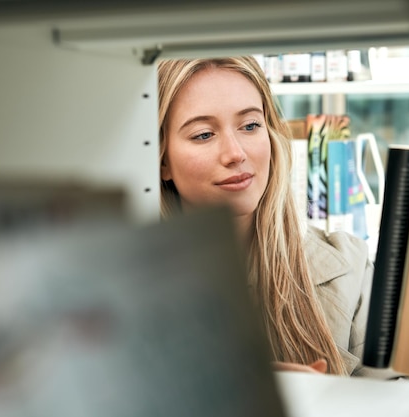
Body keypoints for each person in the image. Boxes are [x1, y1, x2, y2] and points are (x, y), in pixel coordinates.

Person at [157, 56, 373, 376]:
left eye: (250, 126)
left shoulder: (350, 268)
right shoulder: (132, 285)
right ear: (162, 161)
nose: (235, 153)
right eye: (204, 134)